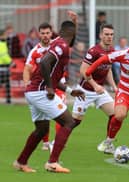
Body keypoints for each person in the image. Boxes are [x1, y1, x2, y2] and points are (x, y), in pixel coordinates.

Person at [13, 19, 85, 173]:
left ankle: (21, 162)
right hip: (40, 92)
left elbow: (53, 75)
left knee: (41, 129)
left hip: (33, 91)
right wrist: (50, 88)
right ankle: (53, 162)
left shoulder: (58, 43)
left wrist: (70, 91)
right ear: (71, 34)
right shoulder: (62, 46)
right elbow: (45, 63)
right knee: (69, 122)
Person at [23, 11, 78, 152]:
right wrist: (26, 83)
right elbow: (28, 68)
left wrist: (74, 22)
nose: (46, 35)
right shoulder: (35, 51)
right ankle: (49, 146)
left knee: (63, 117)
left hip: (57, 84)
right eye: (43, 33)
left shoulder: (57, 44)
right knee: (64, 121)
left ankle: (57, 142)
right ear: (39, 34)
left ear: (51, 33)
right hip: (44, 87)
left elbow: (69, 37)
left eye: (48, 33)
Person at [72, 24, 117, 153]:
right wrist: (95, 85)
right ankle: (55, 142)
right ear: (101, 35)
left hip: (100, 91)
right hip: (85, 91)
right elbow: (83, 70)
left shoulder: (112, 51)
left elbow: (107, 70)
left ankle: (108, 144)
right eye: (106, 34)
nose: (109, 37)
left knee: (115, 114)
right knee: (74, 122)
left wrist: (114, 86)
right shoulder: (94, 51)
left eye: (111, 34)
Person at [0, 29, 12, 104]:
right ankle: (8, 100)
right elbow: (4, 56)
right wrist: (11, 62)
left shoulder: (4, 43)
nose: (6, 36)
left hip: (3, 67)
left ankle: (8, 100)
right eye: (4, 35)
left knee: (6, 84)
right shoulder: (2, 44)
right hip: (2, 67)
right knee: (7, 84)